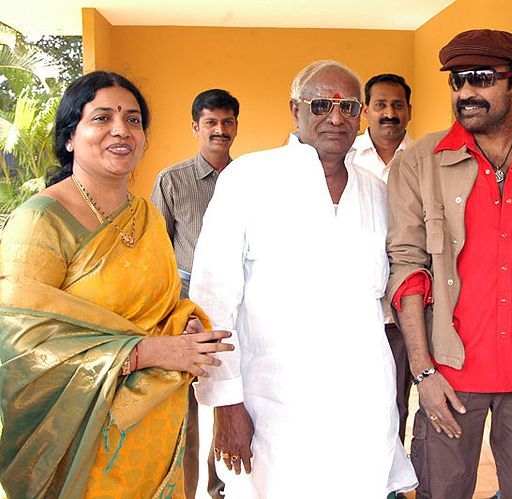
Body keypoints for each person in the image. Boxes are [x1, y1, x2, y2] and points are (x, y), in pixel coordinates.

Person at [188, 60, 417, 498]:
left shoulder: (375, 190)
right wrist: (226, 403)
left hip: (362, 402)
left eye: (348, 107)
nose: (336, 118)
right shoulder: (249, 178)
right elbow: (212, 297)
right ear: (295, 109)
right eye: (321, 105)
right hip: (275, 406)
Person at [0, 71, 232, 498]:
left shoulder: (146, 216)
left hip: (156, 431)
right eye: (102, 118)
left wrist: (186, 327)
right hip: (83, 441)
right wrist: (147, 352)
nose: (121, 130)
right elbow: (19, 345)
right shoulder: (41, 221)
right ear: (70, 137)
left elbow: (164, 304)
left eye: (133, 119)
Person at [386, 29, 512, 499]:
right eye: (457, 81)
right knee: (441, 491)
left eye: (480, 78)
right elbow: (407, 268)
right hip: (450, 374)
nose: (465, 92)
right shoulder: (420, 163)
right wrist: (423, 371)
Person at [151, 88, 239, 499]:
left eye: (227, 122)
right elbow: (157, 254)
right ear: (195, 127)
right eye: (211, 122)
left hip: (236, 302)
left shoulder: (248, 179)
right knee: (184, 408)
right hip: (184, 304)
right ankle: (186, 492)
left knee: (231, 396)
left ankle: (222, 487)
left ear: (235, 126)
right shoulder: (172, 180)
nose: (220, 130)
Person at [352, 73, 414, 446]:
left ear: (409, 110)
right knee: (352, 400)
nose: (389, 113)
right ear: (365, 110)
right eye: (380, 105)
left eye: (397, 105)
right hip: (354, 307)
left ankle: (391, 473)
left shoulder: (424, 159)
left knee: (396, 404)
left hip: (404, 310)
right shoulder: (344, 156)